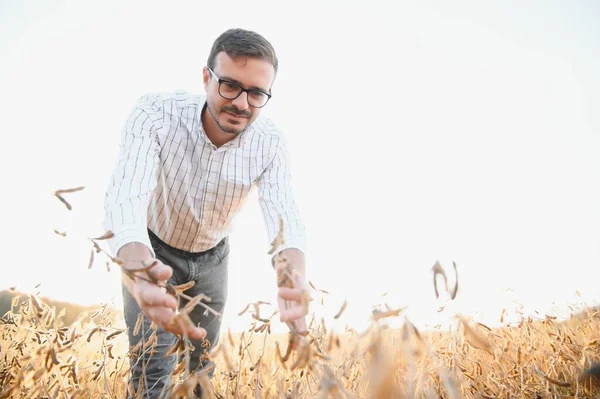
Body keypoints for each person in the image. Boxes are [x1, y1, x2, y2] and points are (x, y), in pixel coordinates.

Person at [102, 28, 308, 398]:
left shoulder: (271, 143)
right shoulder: (156, 112)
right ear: (205, 78)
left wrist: (291, 274)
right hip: (152, 252)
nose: (243, 103)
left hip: (214, 260)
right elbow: (126, 194)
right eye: (229, 85)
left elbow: (283, 212)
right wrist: (137, 264)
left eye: (257, 93)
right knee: (152, 369)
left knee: (200, 371)